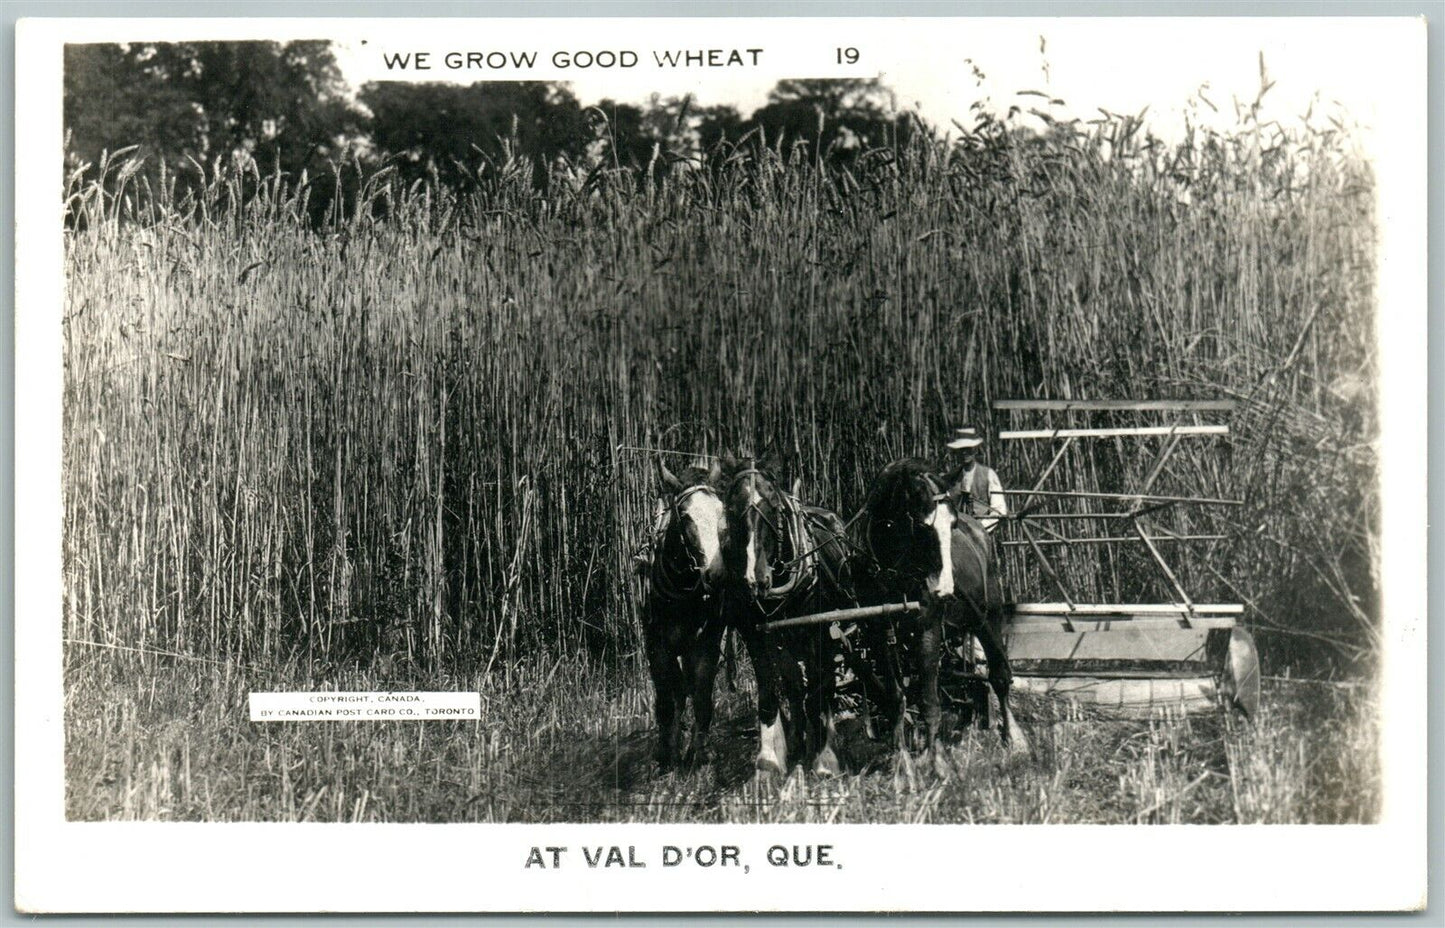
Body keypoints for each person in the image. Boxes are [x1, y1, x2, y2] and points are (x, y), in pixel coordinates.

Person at [946, 426, 1007, 531]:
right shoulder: (952, 477)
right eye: (961, 449)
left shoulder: (988, 474)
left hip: (983, 532)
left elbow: (999, 511)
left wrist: (979, 528)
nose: (964, 453)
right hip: (958, 532)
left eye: (968, 449)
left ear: (974, 450)